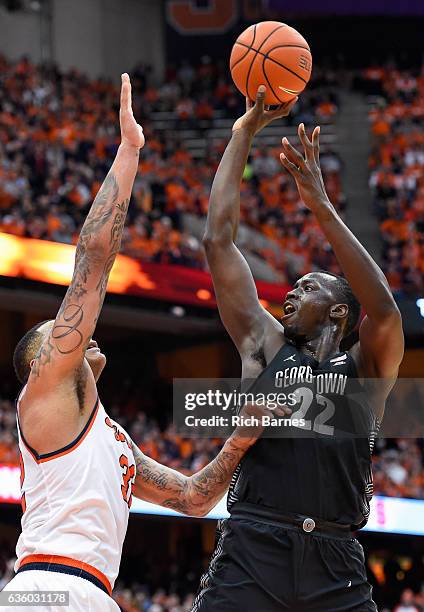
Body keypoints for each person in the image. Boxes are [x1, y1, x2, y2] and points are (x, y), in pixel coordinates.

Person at [3, 76, 285, 612]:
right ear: (43, 361)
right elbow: (92, 260)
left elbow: (195, 499)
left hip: (90, 593)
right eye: (61, 336)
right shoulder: (44, 392)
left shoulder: (115, 443)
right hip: (45, 588)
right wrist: (129, 153)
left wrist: (240, 440)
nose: (78, 336)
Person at [193, 86, 404, 611]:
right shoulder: (263, 344)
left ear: (339, 313)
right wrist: (242, 133)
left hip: (337, 557)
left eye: (308, 287)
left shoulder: (366, 367)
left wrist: (322, 207)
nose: (290, 291)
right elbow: (218, 242)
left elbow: (384, 312)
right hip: (254, 545)